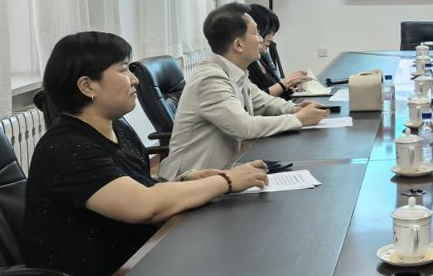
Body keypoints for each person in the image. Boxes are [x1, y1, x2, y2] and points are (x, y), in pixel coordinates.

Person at [25, 32, 270, 276]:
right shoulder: (67, 147)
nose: (135, 80)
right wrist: (226, 181)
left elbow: (134, 185)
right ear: (88, 86)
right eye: (123, 70)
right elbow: (144, 205)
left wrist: (183, 181)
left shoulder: (118, 128)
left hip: (144, 255)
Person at [159, 3, 329, 180]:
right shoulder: (210, 78)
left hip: (223, 171)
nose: (261, 39)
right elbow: (245, 127)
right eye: (255, 33)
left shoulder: (234, 72)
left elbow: (264, 102)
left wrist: (295, 109)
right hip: (190, 180)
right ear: (238, 45)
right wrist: (299, 119)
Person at [247, 4, 310, 99]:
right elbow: (257, 100)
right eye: (268, 32)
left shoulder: (261, 58)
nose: (271, 39)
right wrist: (286, 82)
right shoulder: (246, 64)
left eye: (273, 34)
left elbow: (275, 89)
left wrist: (291, 86)